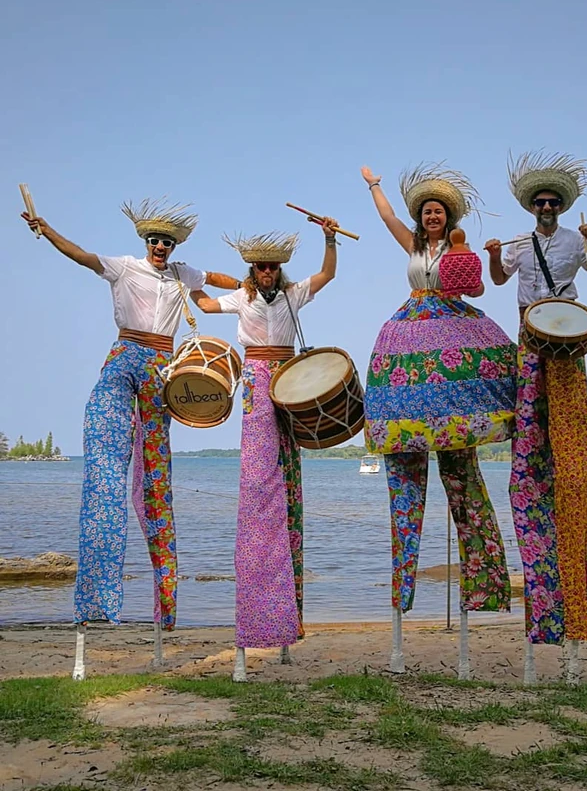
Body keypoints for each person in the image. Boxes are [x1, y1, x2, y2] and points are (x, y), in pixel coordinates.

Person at [21, 198, 239, 638]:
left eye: (167, 243)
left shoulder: (182, 274)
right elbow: (81, 255)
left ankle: (166, 608)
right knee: (105, 472)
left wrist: (250, 285)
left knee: (156, 480)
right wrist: (47, 230)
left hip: (160, 365)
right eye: (155, 240)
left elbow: (215, 278)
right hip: (124, 357)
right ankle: (96, 601)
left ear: (173, 247)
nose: (160, 247)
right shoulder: (124, 267)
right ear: (146, 242)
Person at [361, 162, 516, 672]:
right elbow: (387, 219)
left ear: (448, 216)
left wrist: (474, 254)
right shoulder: (412, 245)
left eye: (438, 211)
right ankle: (401, 594)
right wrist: (375, 187)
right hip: (410, 329)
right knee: (406, 471)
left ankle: (484, 588)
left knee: (462, 471)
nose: (432, 216)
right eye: (426, 211)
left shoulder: (458, 245)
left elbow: (477, 291)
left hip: (451, 328)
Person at [484, 151, 587, 669]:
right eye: (539, 202)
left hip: (566, 333)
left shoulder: (576, 240)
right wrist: (494, 255)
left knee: (570, 447)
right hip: (528, 329)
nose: (545, 207)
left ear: (560, 206)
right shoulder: (522, 243)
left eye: (552, 202)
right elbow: (498, 281)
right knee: (529, 438)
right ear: (531, 207)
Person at [191, 220, 337, 679]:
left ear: (280, 269)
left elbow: (327, 274)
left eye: (273, 266)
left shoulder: (293, 295)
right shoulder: (242, 297)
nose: (268, 271)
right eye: (261, 266)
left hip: (290, 379)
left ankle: (285, 622)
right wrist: (187, 279)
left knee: (288, 486)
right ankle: (256, 618)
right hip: (256, 378)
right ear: (253, 269)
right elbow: (206, 304)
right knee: (257, 486)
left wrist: (330, 239)